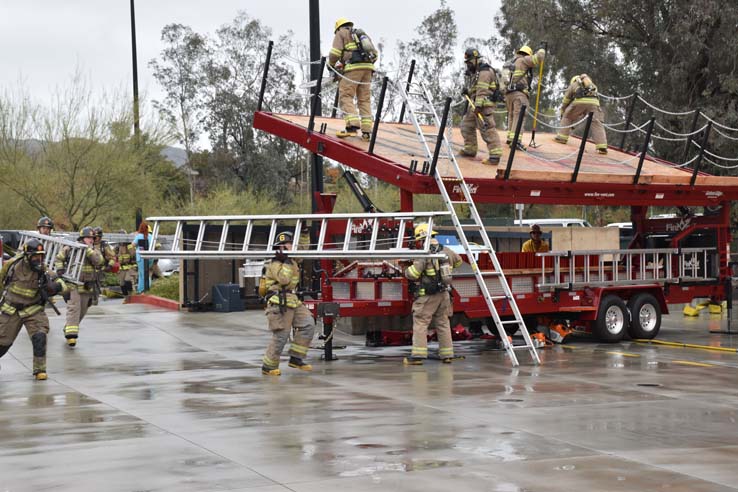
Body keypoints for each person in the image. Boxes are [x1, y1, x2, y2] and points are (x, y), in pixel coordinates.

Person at [0, 239, 66, 379]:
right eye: (35, 256)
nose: (39, 259)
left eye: (41, 256)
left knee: (39, 337)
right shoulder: (12, 265)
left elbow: (60, 282)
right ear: (27, 256)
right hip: (12, 310)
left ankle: (39, 370)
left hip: (33, 309)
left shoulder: (43, 269)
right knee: (2, 343)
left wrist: (57, 287)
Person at [403, 224, 463, 365]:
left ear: (421, 239)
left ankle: (418, 356)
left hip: (428, 296)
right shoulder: (446, 250)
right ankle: (447, 355)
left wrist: (406, 269)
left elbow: (413, 274)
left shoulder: (424, 253)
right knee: (443, 323)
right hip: (444, 294)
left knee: (421, 322)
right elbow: (459, 262)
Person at [260, 231, 315, 376]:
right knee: (281, 335)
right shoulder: (275, 263)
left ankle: (296, 358)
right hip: (279, 303)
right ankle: (268, 366)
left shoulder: (292, 259)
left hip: (292, 300)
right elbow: (284, 279)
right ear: (281, 247)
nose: (292, 246)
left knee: (308, 324)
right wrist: (286, 262)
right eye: (289, 244)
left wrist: (304, 234)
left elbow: (302, 251)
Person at [55, 227, 104, 347]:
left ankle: (69, 328)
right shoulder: (71, 248)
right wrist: (60, 269)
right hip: (74, 285)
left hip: (88, 286)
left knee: (82, 310)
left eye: (92, 238)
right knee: (74, 309)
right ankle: (71, 336)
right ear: (82, 238)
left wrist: (89, 251)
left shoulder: (94, 250)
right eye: (88, 238)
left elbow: (99, 261)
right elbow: (59, 258)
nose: (91, 240)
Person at [328, 18, 376, 141]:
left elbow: (335, 52)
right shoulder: (360, 34)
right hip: (368, 68)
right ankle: (366, 131)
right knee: (364, 99)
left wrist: (331, 65)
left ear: (338, 28)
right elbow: (374, 54)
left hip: (353, 69)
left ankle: (352, 126)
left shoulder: (341, 33)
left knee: (346, 95)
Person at [459, 48, 504, 165]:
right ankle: (470, 149)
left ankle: (495, 156)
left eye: (469, 62)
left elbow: (482, 91)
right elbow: (475, 90)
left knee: (487, 129)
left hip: (483, 106)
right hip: (475, 105)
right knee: (466, 125)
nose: (468, 65)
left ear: (476, 60)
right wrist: (467, 92)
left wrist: (478, 106)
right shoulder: (477, 72)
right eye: (467, 62)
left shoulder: (484, 72)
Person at [554, 74, 608, 155]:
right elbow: (597, 98)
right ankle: (602, 146)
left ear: (574, 80)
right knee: (597, 123)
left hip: (579, 102)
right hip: (594, 104)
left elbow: (566, 99)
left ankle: (562, 138)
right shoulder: (593, 85)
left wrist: (563, 110)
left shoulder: (574, 84)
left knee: (567, 117)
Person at [503, 45, 546, 147]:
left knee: (512, 116)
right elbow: (539, 57)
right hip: (520, 94)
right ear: (527, 54)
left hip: (508, 94)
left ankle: (510, 138)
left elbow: (503, 81)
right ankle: (516, 141)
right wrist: (542, 49)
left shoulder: (509, 63)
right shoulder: (524, 60)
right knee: (519, 116)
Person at [92, 226, 119, 303]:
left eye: (96, 237)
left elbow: (113, 257)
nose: (94, 238)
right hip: (90, 270)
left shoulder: (104, 246)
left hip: (100, 270)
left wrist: (109, 266)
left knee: (97, 286)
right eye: (93, 236)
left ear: (100, 237)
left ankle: (95, 300)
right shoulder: (89, 244)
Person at [132, 222, 158, 294]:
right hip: (150, 257)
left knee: (142, 274)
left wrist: (135, 236)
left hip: (141, 258)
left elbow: (133, 244)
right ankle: (140, 289)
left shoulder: (139, 236)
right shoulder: (151, 236)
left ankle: (146, 289)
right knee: (145, 273)